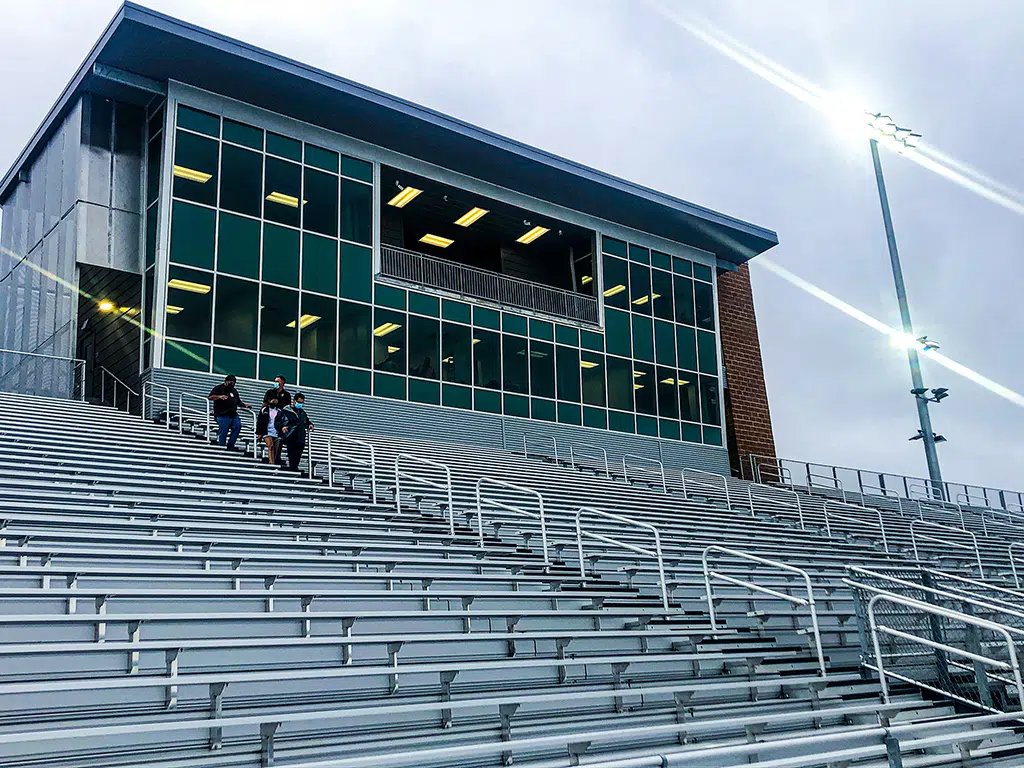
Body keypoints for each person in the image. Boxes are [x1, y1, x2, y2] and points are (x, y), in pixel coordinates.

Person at [207, 374, 251, 450]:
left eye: (233, 383)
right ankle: (222, 447)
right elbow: (210, 397)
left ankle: (230, 445)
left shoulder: (234, 391)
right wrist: (219, 397)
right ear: (226, 381)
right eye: (230, 382)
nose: (231, 384)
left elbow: (238, 401)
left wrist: (245, 405)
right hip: (222, 414)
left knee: (238, 426)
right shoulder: (218, 388)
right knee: (224, 430)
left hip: (233, 414)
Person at [275, 392, 314, 472]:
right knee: (292, 454)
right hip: (291, 436)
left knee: (298, 455)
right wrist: (282, 427)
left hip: (301, 437)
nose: (300, 404)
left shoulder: (302, 413)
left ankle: (294, 467)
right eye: (299, 402)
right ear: (294, 401)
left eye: (302, 403)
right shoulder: (285, 411)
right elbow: (277, 422)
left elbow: (306, 421)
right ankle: (293, 469)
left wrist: (310, 424)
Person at [255, 396, 282, 466]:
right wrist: (259, 433)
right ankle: (271, 462)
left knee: (276, 449)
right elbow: (260, 421)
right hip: (266, 431)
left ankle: (273, 461)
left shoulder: (279, 411)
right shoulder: (264, 410)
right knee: (270, 445)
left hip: (276, 431)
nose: (274, 401)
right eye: (273, 400)